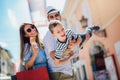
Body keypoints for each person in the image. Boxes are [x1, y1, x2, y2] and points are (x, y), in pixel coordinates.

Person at [43, 6, 91, 80]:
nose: (55, 18)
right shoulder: (49, 35)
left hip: (69, 70)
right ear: (48, 20)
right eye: (51, 17)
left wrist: (75, 44)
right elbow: (53, 56)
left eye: (56, 15)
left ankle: (89, 30)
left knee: (85, 36)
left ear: (60, 16)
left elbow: (77, 40)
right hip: (59, 73)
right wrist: (70, 49)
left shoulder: (64, 31)